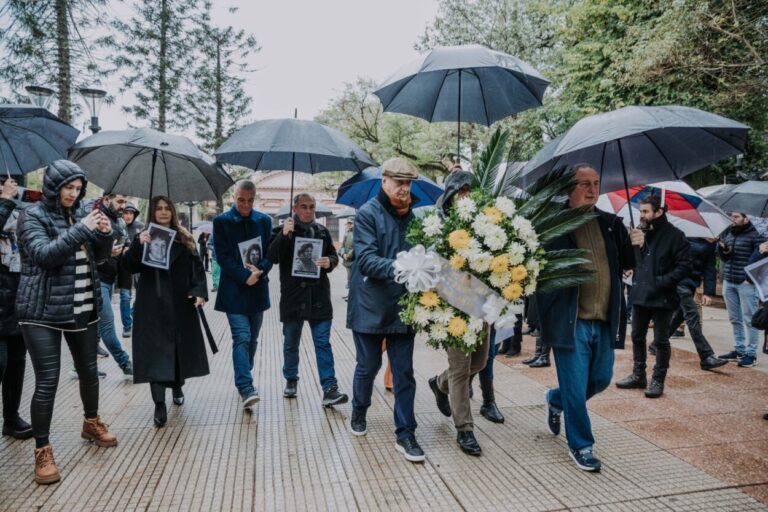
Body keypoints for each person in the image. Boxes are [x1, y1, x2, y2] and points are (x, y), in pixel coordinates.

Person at [16, 160, 118, 485]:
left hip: (82, 305)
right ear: (53, 187)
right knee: (47, 380)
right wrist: (83, 229)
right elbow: (45, 255)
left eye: (78, 189)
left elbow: (99, 259)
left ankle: (91, 422)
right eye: (68, 188)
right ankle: (42, 450)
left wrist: (104, 235)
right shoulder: (31, 215)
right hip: (41, 311)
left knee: (89, 372)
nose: (73, 194)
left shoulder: (80, 215)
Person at [538, 163, 635, 472]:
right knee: (577, 387)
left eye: (596, 183)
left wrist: (636, 243)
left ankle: (556, 398)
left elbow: (628, 266)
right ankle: (582, 445)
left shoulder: (610, 223)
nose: (593, 189)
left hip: (605, 318)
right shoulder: (553, 226)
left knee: (601, 379)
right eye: (585, 184)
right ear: (570, 188)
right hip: (570, 320)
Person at [348, 157, 425, 463]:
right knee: (368, 367)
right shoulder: (368, 213)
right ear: (384, 182)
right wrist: (404, 266)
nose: (404, 189)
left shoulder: (416, 219)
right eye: (398, 182)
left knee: (404, 373)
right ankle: (359, 408)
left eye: (408, 183)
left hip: (404, 306)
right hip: (370, 304)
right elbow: (365, 259)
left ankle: (406, 434)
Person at [426, 170, 497, 456]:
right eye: (462, 191)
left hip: (480, 302)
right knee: (459, 368)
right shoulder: (438, 225)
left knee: (478, 363)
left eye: (470, 192)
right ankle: (464, 430)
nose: (466, 197)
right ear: (452, 194)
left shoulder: (487, 225)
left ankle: (438, 384)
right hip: (454, 303)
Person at [122, 196, 209, 428]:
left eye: (166, 208)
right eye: (158, 209)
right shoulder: (143, 237)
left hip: (180, 303)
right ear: (153, 212)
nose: (163, 212)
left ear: (172, 211)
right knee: (155, 353)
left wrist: (199, 292)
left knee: (177, 349)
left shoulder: (185, 238)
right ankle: (159, 403)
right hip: (152, 304)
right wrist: (137, 245)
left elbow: (197, 268)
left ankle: (177, 385)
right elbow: (129, 267)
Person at [267, 193, 348, 406]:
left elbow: (334, 256)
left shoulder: (321, 231)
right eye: (304, 206)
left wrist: (328, 261)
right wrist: (284, 234)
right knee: (291, 342)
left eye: (311, 207)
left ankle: (330, 387)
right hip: (293, 297)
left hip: (319, 296)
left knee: (322, 343)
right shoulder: (282, 230)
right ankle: (291, 379)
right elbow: (272, 257)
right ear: (295, 208)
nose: (308, 210)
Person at [616, 195, 690, 399]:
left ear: (659, 212)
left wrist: (661, 281)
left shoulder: (676, 235)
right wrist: (630, 257)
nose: (642, 215)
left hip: (663, 297)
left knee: (660, 341)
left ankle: (658, 379)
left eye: (646, 211)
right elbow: (634, 260)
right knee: (637, 336)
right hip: (640, 294)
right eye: (640, 211)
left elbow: (684, 266)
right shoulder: (640, 234)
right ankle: (638, 374)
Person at [213, 179, 273, 409]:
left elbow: (269, 253)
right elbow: (222, 256)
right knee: (242, 336)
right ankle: (246, 387)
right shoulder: (221, 222)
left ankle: (243, 373)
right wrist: (243, 275)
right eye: (241, 200)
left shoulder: (264, 220)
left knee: (253, 339)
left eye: (249, 200)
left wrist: (261, 269)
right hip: (234, 291)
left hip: (257, 288)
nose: (245, 205)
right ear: (233, 197)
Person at [0, 176, 32, 440]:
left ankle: (11, 418)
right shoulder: (6, 205)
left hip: (17, 300)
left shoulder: (17, 210)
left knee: (16, 364)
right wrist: (5, 201)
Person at [665, 237, 728, 371]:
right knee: (692, 315)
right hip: (679, 281)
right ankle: (706, 356)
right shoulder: (686, 238)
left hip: (691, 284)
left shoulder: (712, 245)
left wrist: (708, 292)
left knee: (681, 315)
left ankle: (658, 343)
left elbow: (710, 268)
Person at [90, 192, 133, 376]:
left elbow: (125, 244)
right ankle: (125, 363)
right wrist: (108, 253)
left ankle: (81, 366)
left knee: (92, 326)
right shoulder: (97, 218)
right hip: (97, 280)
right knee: (107, 325)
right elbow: (89, 250)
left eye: (125, 201)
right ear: (107, 199)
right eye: (120, 201)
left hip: (111, 279)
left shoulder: (120, 221)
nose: (123, 206)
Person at [717, 211, 765, 368]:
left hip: (746, 284)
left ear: (746, 219)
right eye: (732, 216)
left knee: (750, 319)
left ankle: (751, 354)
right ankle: (739, 349)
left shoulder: (756, 234)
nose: (733, 219)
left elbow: (762, 259)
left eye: (736, 217)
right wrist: (723, 250)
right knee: (734, 318)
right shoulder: (730, 233)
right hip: (729, 281)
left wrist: (749, 279)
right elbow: (726, 258)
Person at [117, 201, 143, 338]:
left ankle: (134, 310)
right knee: (125, 296)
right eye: (125, 213)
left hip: (139, 267)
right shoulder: (116, 226)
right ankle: (127, 326)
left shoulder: (141, 227)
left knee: (141, 295)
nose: (128, 216)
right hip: (123, 267)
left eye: (130, 213)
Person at [339, 218, 354, 300]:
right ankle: (349, 294)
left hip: (352, 260)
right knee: (349, 277)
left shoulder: (356, 233)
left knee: (351, 277)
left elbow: (355, 247)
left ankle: (351, 295)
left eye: (350, 223)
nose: (349, 224)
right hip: (346, 260)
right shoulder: (346, 233)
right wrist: (343, 253)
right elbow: (342, 246)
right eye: (348, 223)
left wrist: (348, 255)